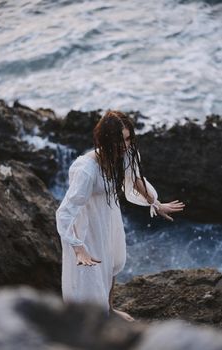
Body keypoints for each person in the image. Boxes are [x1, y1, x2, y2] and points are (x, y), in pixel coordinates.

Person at [56, 110, 185, 322]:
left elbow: (134, 178)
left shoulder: (124, 155)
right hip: (86, 226)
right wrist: (78, 248)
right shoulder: (87, 170)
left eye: (127, 139)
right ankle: (89, 323)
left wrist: (155, 203)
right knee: (90, 276)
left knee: (112, 262)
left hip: (108, 215)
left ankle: (109, 309)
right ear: (105, 139)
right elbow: (65, 212)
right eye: (118, 140)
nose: (124, 145)